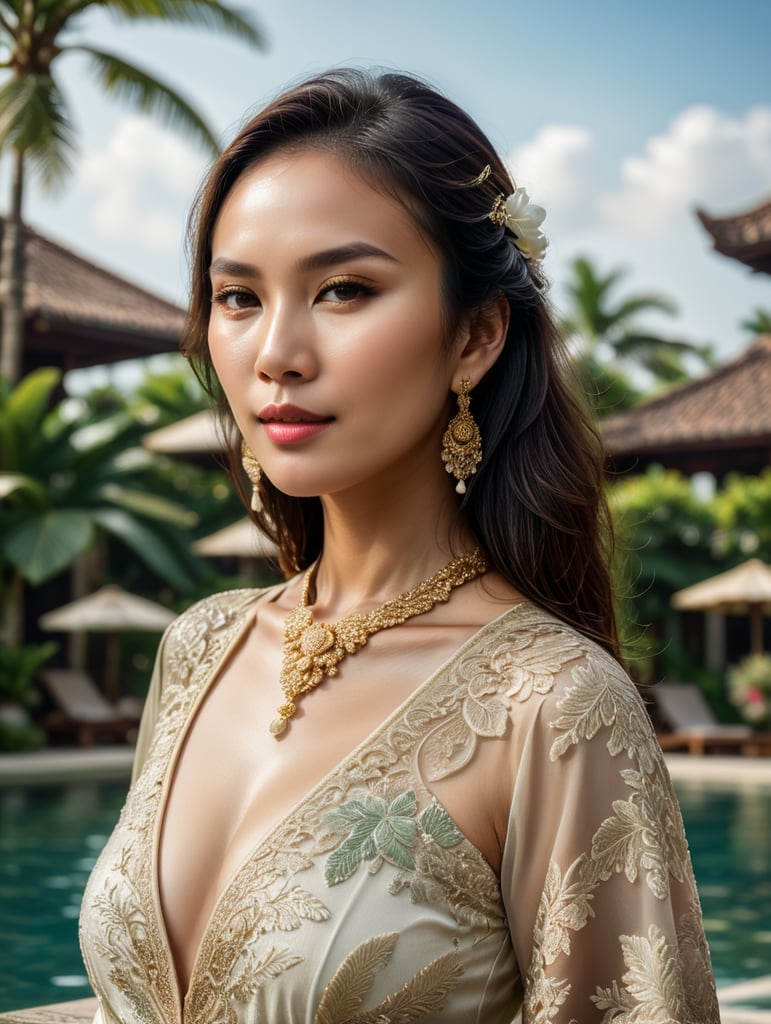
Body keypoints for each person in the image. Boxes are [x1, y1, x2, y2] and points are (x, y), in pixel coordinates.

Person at [79, 69, 719, 1024]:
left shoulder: (551, 706)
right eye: (238, 297)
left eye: (342, 290)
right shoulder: (199, 649)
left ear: (475, 335)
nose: (275, 353)